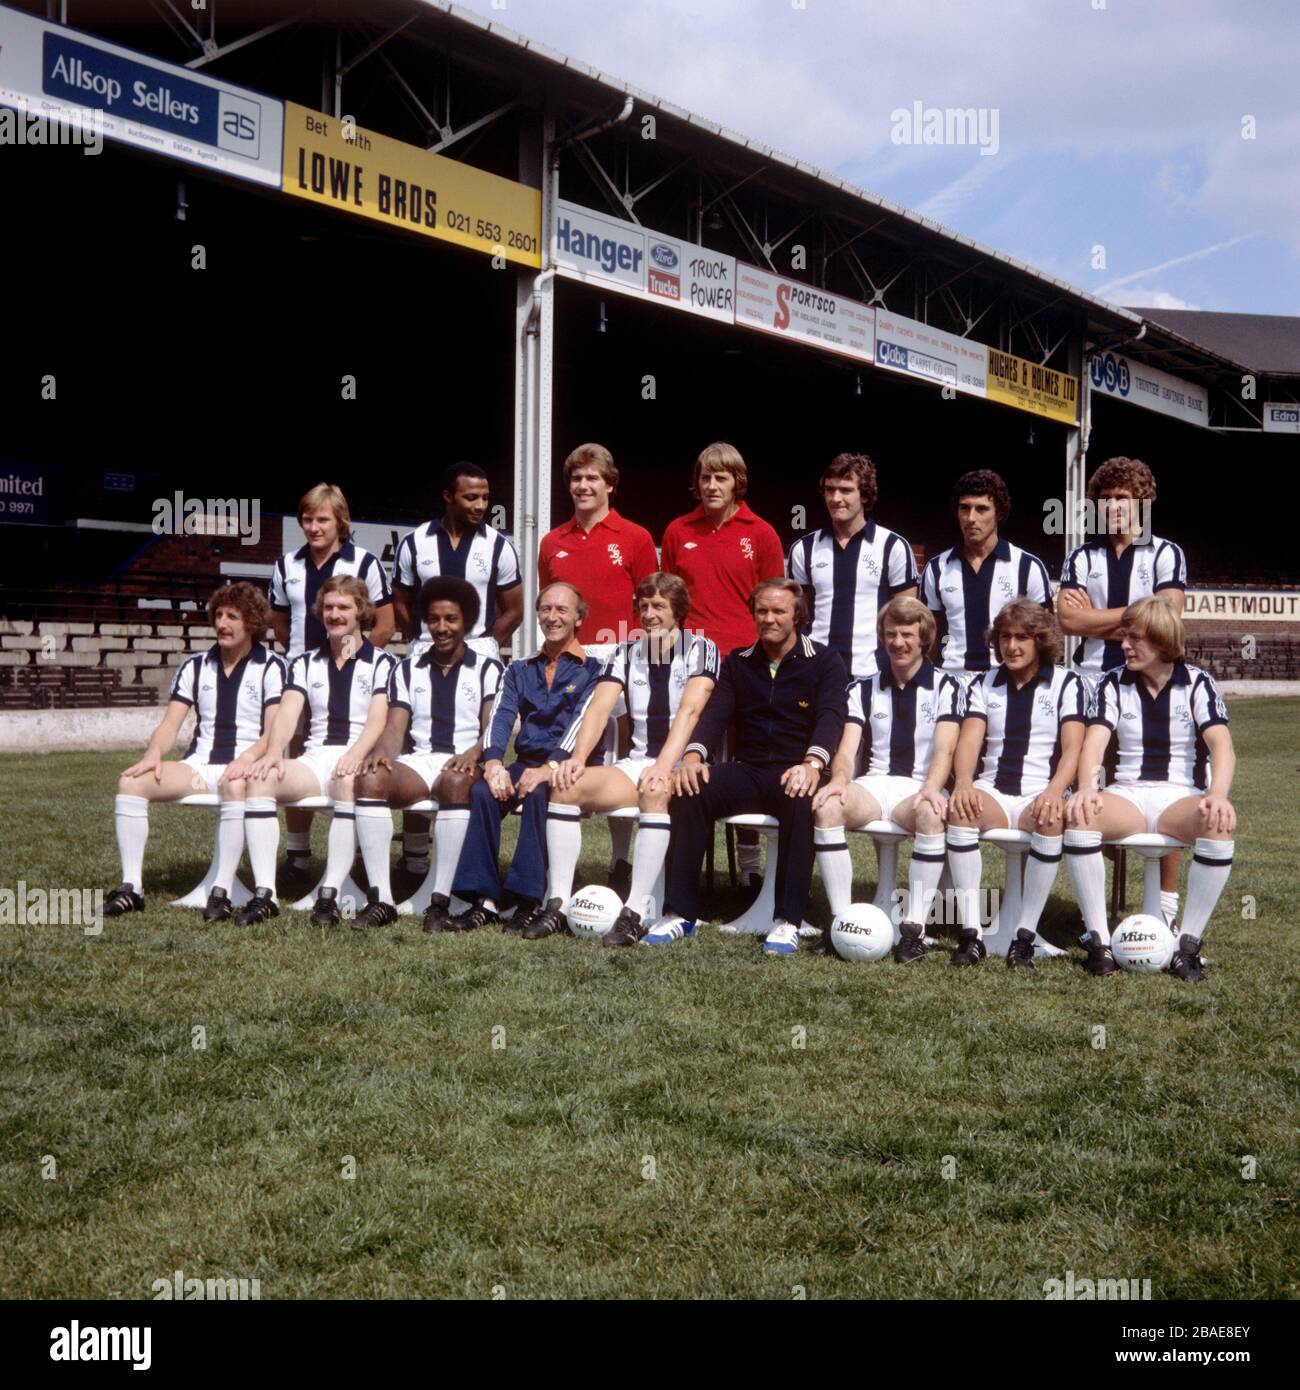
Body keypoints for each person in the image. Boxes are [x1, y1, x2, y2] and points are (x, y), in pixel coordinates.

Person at [661, 578, 848, 956]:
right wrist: (694, 756)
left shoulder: (825, 660)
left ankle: (787, 921)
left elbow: (832, 717)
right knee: (690, 789)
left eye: (779, 611)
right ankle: (680, 912)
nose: (769, 618)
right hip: (748, 769)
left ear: (797, 616)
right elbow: (715, 715)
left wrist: (813, 764)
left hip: (795, 769)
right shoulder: (739, 662)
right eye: (761, 611)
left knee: (801, 798)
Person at [1065, 597, 1235, 982]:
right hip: (1128, 793)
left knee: (1219, 824)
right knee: (1079, 815)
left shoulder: (1196, 682)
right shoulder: (1112, 681)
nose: (1124, 645)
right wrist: (1089, 787)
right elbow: (1094, 742)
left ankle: (1187, 945)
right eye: (1124, 636)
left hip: (1179, 795)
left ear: (1162, 641)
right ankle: (1099, 942)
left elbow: (1222, 746)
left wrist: (1218, 794)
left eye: (1135, 638)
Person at [544, 573, 720, 946]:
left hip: (684, 763)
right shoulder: (625, 652)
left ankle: (635, 911)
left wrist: (663, 766)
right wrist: (576, 758)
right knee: (565, 786)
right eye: (643, 607)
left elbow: (690, 713)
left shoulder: (702, 649)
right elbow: (599, 708)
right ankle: (556, 904)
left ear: (679, 611)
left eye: (659, 606)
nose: (649, 615)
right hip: (638, 762)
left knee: (654, 791)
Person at [1058, 455, 1189, 925]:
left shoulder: (1166, 553)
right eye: (1106, 498)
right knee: (1087, 785)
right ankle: (1093, 909)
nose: (1114, 506)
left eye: (1124, 498)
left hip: (1151, 685)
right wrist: (1139, 617)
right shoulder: (1081, 556)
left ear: (1143, 502)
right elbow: (1068, 620)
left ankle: (1164, 908)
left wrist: (1101, 619)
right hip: (1091, 684)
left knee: (1166, 783)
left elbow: (1166, 621)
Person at [103, 582, 285, 917]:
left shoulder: (272, 666)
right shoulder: (195, 665)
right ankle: (132, 888)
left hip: (248, 766)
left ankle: (222, 891)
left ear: (253, 623)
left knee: (234, 784)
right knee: (131, 783)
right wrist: (153, 754)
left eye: (232, 616)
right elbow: (170, 725)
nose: (222, 624)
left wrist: (246, 759)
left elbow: (274, 732)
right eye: (218, 615)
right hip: (200, 767)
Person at [345, 578, 503, 931]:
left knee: (455, 781)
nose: (442, 628)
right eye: (434, 619)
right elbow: (395, 729)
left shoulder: (488, 668)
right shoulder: (407, 668)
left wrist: (474, 753)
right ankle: (381, 899)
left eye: (451, 619)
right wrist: (381, 754)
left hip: (464, 760)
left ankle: (439, 900)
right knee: (370, 779)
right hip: (422, 760)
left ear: (467, 622)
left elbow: (492, 727)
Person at [661, 441, 785, 885]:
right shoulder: (677, 530)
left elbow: (776, 601)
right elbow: (671, 599)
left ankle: (749, 864)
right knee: (687, 753)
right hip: (693, 662)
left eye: (722, 477)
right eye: (705, 477)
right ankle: (681, 858)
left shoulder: (763, 532)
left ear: (738, 483)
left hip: (747, 663)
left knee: (747, 759)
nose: (712, 485)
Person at [810, 596, 963, 955]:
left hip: (919, 786)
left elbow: (945, 750)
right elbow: (847, 750)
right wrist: (838, 780)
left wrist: (931, 790)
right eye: (891, 634)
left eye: (907, 634)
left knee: (929, 812)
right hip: (875, 784)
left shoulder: (947, 687)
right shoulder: (862, 687)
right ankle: (840, 922)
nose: (898, 642)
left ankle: (914, 930)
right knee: (828, 808)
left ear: (924, 637)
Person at [538, 441, 659, 891]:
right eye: (576, 478)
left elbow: (652, 603)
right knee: (560, 753)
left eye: (592, 478)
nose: (583, 486)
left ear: (610, 483)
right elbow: (550, 606)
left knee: (622, 758)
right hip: (573, 659)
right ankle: (551, 862)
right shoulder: (552, 541)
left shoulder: (636, 537)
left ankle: (621, 860)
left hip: (622, 660)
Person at [392, 462, 523, 877]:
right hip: (426, 648)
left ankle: (455, 863)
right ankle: (414, 856)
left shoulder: (499, 545)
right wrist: (422, 636)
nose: (481, 505)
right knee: (419, 744)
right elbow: (400, 600)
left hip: (478, 650)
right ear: (448, 496)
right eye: (471, 497)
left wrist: (484, 644)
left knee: (472, 743)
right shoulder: (415, 542)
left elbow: (515, 608)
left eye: (486, 497)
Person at [450, 582, 603, 934]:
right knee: (481, 793)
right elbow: (501, 716)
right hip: (526, 759)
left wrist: (549, 768)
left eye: (562, 610)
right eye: (546, 609)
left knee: (537, 794)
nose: (552, 617)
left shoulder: (593, 670)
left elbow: (582, 723)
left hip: (568, 763)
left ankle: (526, 899)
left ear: (578, 618)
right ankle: (484, 899)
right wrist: (492, 763)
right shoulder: (519, 668)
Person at [942, 599, 1087, 968]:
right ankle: (971, 933)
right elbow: (970, 740)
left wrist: (1055, 792)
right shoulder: (984, 682)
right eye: (1005, 637)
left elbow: (1073, 749)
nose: (1012, 646)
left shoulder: (1066, 682)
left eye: (1022, 637)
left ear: (1040, 640)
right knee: (960, 811)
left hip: (1038, 791)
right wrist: (962, 782)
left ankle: (1024, 935)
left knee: (1051, 819)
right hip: (993, 789)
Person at [246, 576, 396, 926]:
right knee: (261, 781)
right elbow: (287, 712)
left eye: (343, 606)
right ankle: (265, 893)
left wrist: (356, 754)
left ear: (360, 611)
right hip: (316, 758)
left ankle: (329, 892)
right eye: (328, 607)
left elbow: (377, 720)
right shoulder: (304, 663)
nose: (334, 614)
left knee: (345, 781)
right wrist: (272, 751)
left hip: (358, 757)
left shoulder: (383, 663)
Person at [269, 482, 394, 884]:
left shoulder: (365, 562)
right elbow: (280, 620)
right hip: (306, 673)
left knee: (358, 755)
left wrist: (353, 660)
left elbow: (386, 622)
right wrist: (310, 657)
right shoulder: (287, 564)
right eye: (307, 519)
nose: (313, 526)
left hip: (355, 673)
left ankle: (358, 855)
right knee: (298, 752)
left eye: (322, 519)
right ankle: (299, 853)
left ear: (340, 520)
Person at [787, 452, 918, 679]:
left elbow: (907, 619)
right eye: (830, 489)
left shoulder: (893, 546)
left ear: (865, 496)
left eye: (846, 490)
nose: (836, 498)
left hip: (874, 674)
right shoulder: (803, 549)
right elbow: (798, 616)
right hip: (815, 673)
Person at [918, 469, 1053, 680]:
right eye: (965, 508)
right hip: (951, 679)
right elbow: (928, 640)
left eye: (981, 509)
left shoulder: (1027, 567)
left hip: (1006, 680)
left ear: (998, 513)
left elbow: (1045, 638)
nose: (971, 518)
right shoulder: (937, 568)